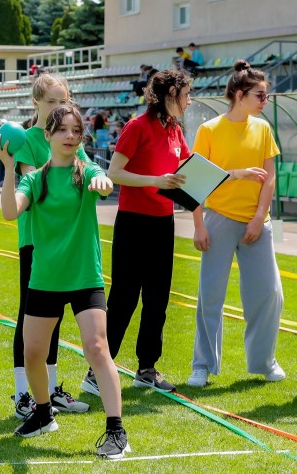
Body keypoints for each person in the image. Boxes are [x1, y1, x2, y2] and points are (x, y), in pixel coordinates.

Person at [0, 105, 130, 458]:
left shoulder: (86, 171)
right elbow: (10, 212)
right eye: (63, 131)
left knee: (97, 348)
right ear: (49, 136)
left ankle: (116, 430)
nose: (71, 137)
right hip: (45, 278)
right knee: (33, 354)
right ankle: (43, 414)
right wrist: (9, 169)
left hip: (84, 276)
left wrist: (102, 181)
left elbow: (102, 183)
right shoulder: (34, 178)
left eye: (76, 131)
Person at [81, 68, 193, 395]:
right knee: (124, 298)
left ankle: (147, 368)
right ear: (170, 95)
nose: (189, 101)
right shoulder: (136, 126)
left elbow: (188, 167)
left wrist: (234, 173)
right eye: (186, 94)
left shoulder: (174, 130)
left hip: (163, 222)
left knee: (157, 299)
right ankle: (96, 373)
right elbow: (114, 172)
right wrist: (156, 181)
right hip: (133, 222)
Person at [187, 60, 281, 388]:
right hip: (219, 220)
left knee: (269, 294)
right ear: (240, 95)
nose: (264, 100)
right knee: (210, 295)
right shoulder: (210, 130)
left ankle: (264, 361)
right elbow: (195, 180)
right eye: (260, 95)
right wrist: (199, 225)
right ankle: (202, 365)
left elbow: (269, 179)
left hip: (258, 223)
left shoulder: (263, 129)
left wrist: (258, 218)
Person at [9, 72, 91, 418]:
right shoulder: (25, 139)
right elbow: (35, 179)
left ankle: (52, 389)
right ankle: (21, 395)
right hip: (36, 239)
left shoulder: (73, 137)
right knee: (29, 316)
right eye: (52, 102)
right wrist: (60, 153)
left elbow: (84, 172)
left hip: (68, 241)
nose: (60, 107)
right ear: (36, 103)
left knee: (55, 318)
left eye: (64, 101)